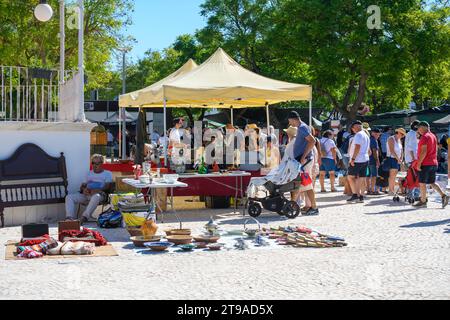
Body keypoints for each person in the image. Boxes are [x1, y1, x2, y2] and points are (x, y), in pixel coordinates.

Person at [65, 155, 113, 225]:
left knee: (96, 196)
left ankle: (84, 217)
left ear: (102, 163)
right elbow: (82, 186)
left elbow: (107, 187)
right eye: (93, 163)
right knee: (69, 197)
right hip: (87, 194)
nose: (95, 165)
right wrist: (84, 190)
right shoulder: (88, 173)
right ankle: (69, 218)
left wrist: (95, 191)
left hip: (100, 195)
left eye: (97, 163)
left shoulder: (107, 173)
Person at [413, 122, 449, 208]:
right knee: (431, 182)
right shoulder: (433, 136)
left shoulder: (425, 137)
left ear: (423, 127)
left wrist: (419, 163)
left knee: (422, 183)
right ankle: (443, 195)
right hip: (433, 162)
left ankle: (423, 201)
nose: (418, 130)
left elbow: (424, 151)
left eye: (419, 128)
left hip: (426, 163)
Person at [289, 111, 319, 215]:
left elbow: (312, 140)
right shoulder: (302, 127)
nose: (290, 124)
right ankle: (311, 207)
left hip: (304, 161)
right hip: (303, 160)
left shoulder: (302, 127)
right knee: (305, 185)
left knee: (305, 184)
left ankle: (312, 207)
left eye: (290, 121)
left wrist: (303, 156)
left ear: (293, 119)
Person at [347, 121, 370, 203]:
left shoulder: (358, 135)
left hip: (358, 159)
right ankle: (361, 196)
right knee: (361, 178)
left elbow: (357, 147)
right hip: (365, 158)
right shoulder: (366, 135)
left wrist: (353, 159)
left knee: (350, 177)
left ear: (354, 128)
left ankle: (355, 194)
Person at [385, 128, 406, 195]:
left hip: (397, 159)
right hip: (392, 158)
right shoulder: (391, 139)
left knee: (394, 175)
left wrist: (401, 159)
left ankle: (391, 189)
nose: (403, 136)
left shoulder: (399, 140)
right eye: (402, 134)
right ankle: (391, 190)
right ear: (398, 133)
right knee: (392, 175)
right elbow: (392, 151)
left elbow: (402, 150)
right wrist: (398, 159)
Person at [367, 128, 381, 195]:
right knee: (374, 175)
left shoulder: (368, 139)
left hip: (367, 160)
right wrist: (377, 160)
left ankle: (368, 189)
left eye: (378, 135)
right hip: (372, 160)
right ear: (373, 133)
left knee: (368, 175)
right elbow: (374, 151)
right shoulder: (374, 140)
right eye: (377, 135)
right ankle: (373, 190)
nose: (377, 136)